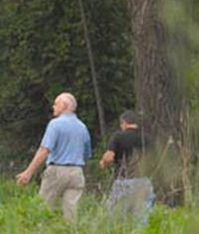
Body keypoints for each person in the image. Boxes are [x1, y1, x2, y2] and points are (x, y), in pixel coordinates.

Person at [16, 92, 91, 222]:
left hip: (57, 170)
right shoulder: (82, 127)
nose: (53, 106)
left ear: (65, 105)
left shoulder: (55, 124)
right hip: (77, 172)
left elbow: (44, 150)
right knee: (71, 213)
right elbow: (86, 154)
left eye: (56, 104)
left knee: (44, 208)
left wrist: (28, 172)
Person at [100, 109, 154, 224]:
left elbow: (109, 157)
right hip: (143, 181)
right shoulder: (147, 138)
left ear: (123, 122)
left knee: (116, 218)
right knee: (142, 220)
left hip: (124, 181)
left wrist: (104, 162)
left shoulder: (118, 137)